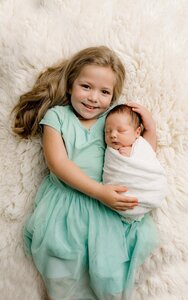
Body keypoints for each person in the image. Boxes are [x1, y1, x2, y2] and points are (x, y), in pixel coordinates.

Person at [12, 46, 160, 300]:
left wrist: (150, 127)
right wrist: (99, 191)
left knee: (108, 271)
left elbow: (138, 158)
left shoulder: (112, 122)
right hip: (66, 206)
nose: (93, 98)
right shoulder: (57, 117)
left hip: (106, 211)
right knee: (61, 267)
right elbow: (58, 163)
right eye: (86, 87)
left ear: (113, 97)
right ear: (70, 85)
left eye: (104, 92)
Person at [103, 104, 167, 223]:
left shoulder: (140, 146)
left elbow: (150, 152)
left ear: (137, 132)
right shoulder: (111, 152)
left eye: (121, 130)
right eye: (107, 131)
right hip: (116, 200)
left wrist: (133, 155)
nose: (113, 135)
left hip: (145, 192)